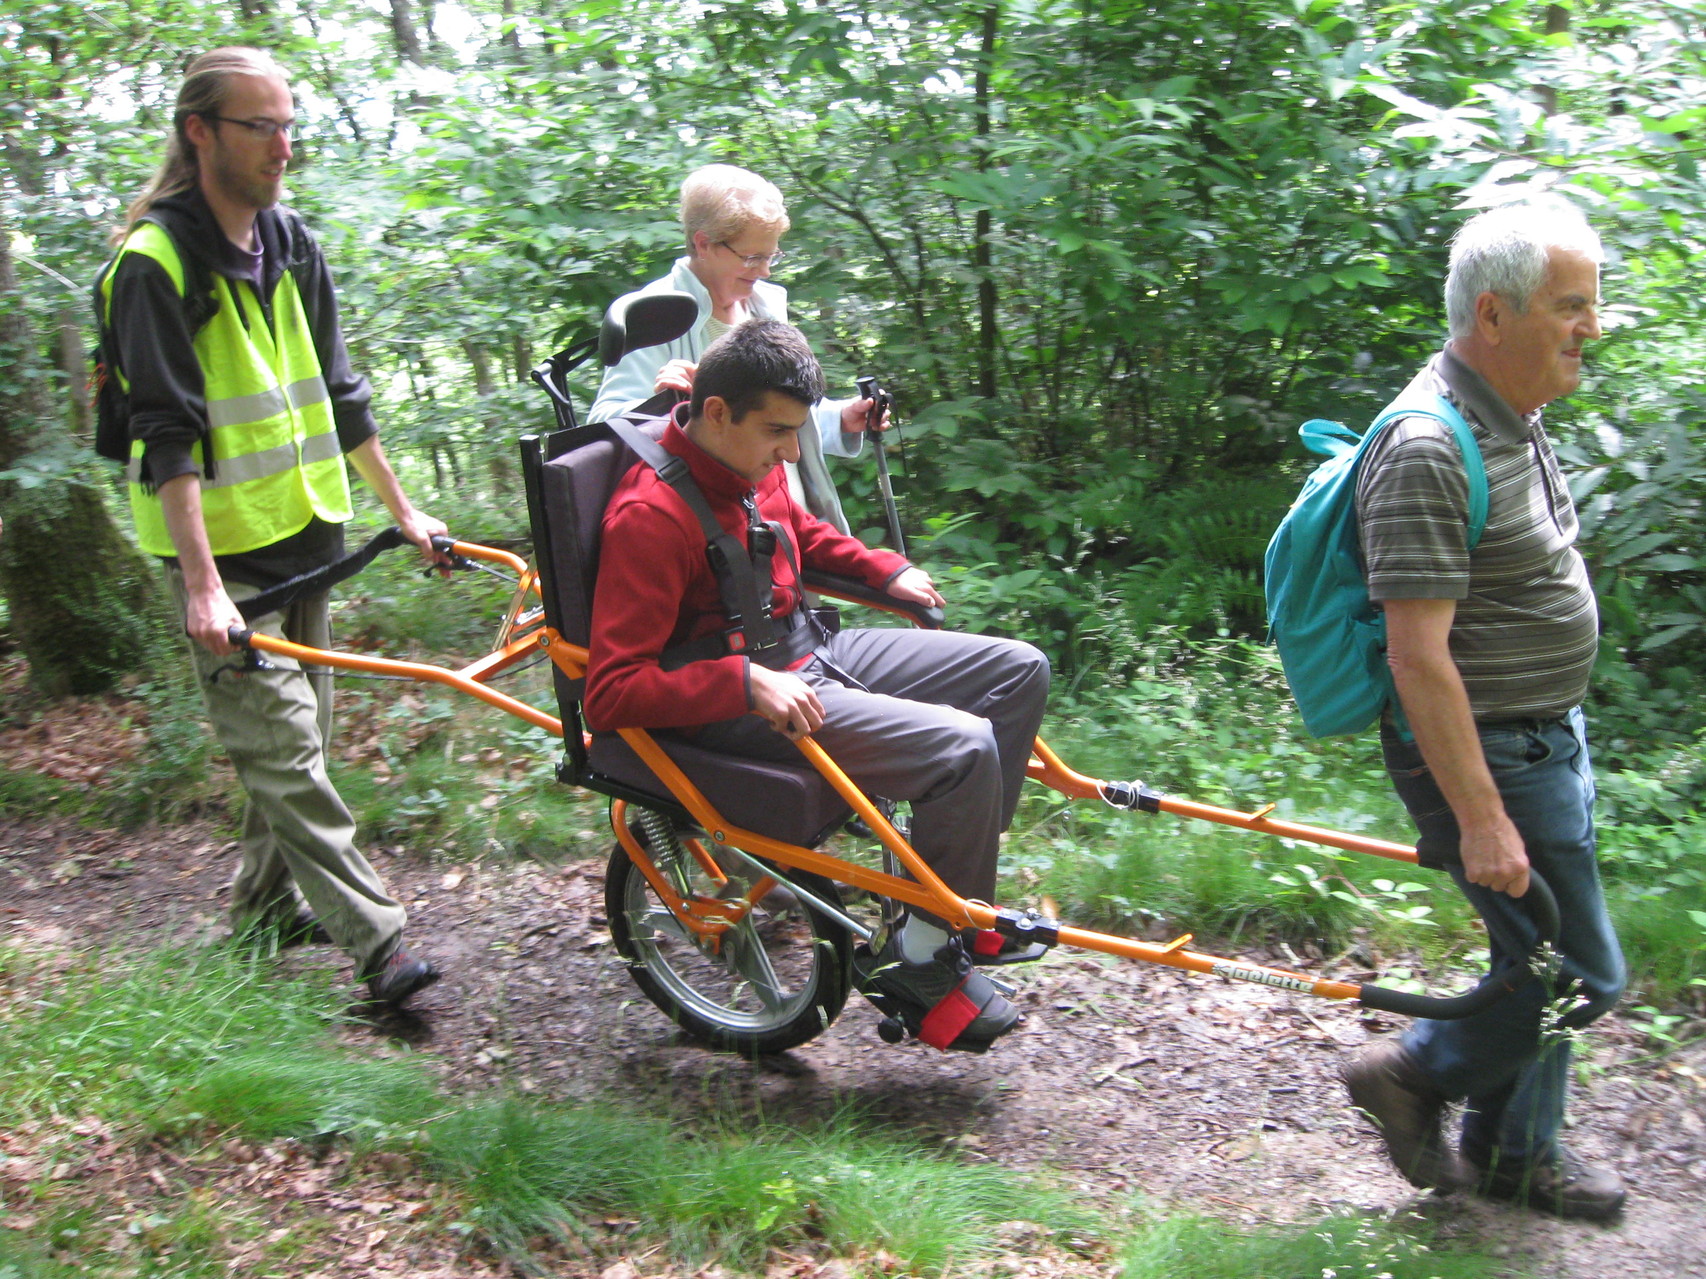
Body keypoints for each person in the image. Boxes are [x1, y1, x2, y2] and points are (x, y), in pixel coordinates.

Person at [585, 319, 1049, 1050]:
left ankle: (955, 898)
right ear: (716, 413)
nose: (791, 451)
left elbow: (802, 530)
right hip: (738, 698)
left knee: (1018, 669)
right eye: (778, 432)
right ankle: (921, 962)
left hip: (808, 648)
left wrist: (881, 568)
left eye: (797, 430)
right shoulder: (649, 516)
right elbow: (610, 692)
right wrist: (744, 682)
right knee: (964, 746)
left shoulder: (750, 459)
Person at [102, 47, 442, 1006]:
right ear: (200, 132)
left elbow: (341, 392)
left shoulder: (291, 242)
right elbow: (165, 432)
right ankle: (380, 944)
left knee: (299, 749)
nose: (283, 146)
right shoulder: (154, 263)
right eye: (261, 125)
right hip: (223, 554)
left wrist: (404, 511)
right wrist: (203, 585)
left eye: (290, 125)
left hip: (305, 533)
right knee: (286, 752)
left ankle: (260, 907)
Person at [1340, 198, 1626, 1220]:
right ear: (1495, 314)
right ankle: (1410, 1070)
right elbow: (1417, 660)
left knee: (1534, 960)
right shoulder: (1426, 443)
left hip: (1541, 735)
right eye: (1570, 305)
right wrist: (1479, 814)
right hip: (1490, 752)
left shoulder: (1513, 413)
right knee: (1579, 971)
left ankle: (1513, 1153)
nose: (1590, 326)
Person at [588, 164, 885, 534]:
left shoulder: (766, 306)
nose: (765, 271)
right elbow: (605, 428)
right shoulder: (653, 314)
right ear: (703, 243)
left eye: (771, 256)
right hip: (709, 534)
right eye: (751, 258)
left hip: (785, 521)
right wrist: (665, 405)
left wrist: (841, 419)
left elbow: (769, 415)